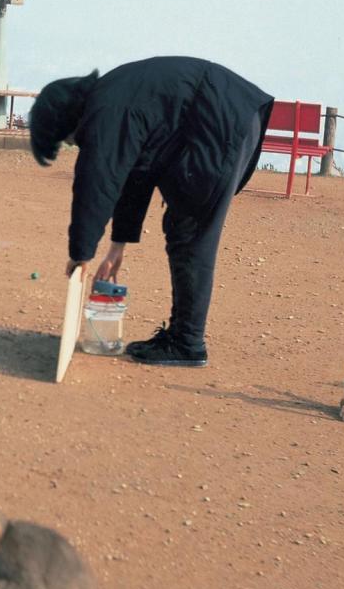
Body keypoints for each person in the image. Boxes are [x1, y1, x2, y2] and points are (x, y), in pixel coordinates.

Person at [30, 56, 274, 367]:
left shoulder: (106, 111)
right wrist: (117, 246)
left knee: (190, 230)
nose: (76, 144)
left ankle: (187, 343)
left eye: (69, 139)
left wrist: (81, 252)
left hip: (219, 122)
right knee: (183, 223)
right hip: (221, 116)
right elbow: (136, 174)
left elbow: (97, 181)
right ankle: (182, 338)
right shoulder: (113, 97)